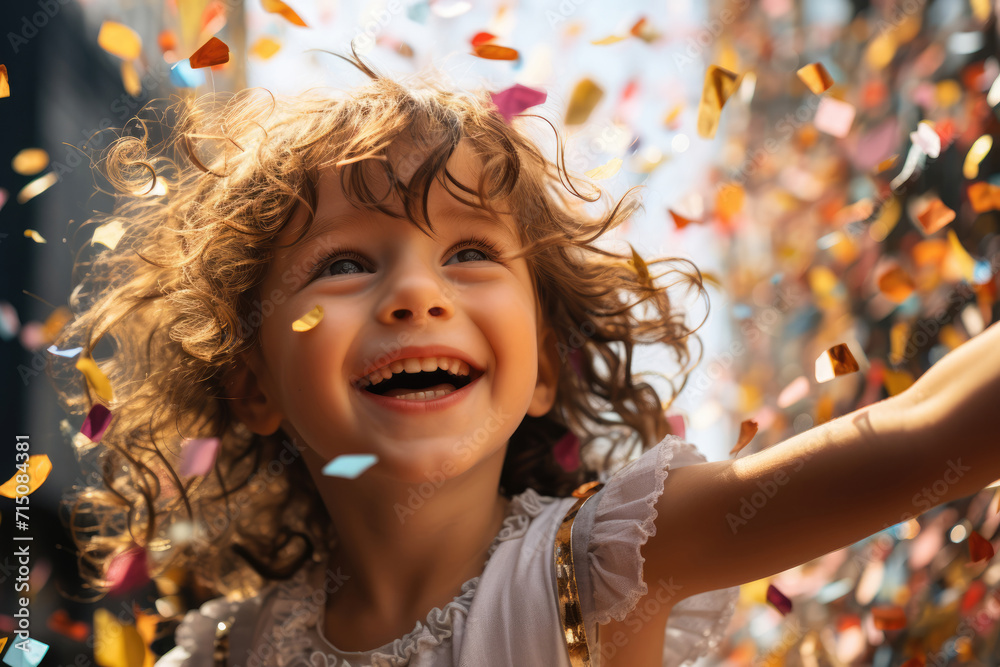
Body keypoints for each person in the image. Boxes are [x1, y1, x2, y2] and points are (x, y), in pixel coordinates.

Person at [50, 52, 1000, 667]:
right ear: (253, 383)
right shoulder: (227, 649)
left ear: (543, 363)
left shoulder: (603, 561)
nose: (418, 295)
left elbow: (932, 428)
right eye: (344, 262)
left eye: (468, 253)